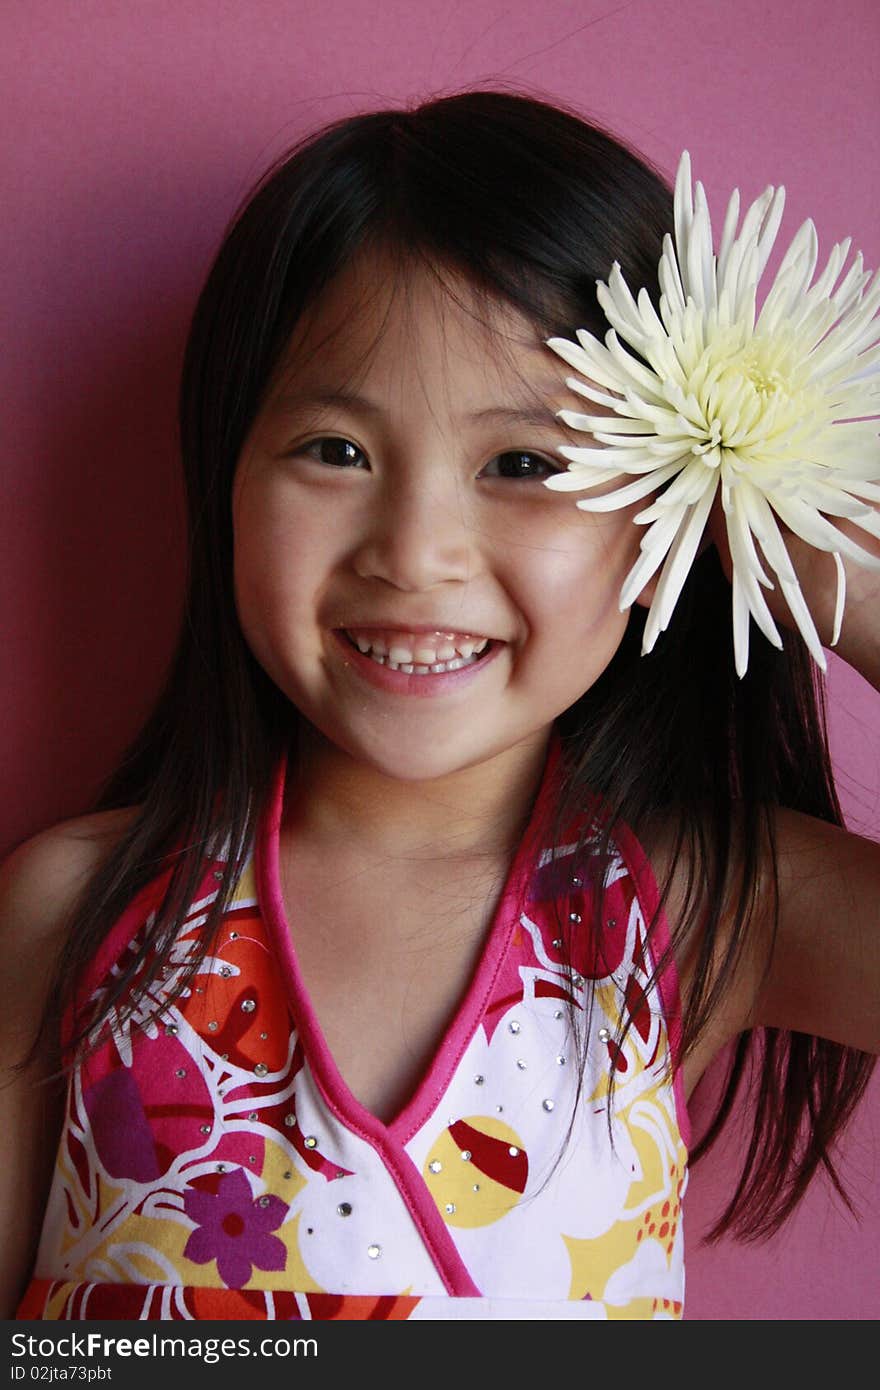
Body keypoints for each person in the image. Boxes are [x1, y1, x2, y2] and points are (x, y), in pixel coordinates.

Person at [2, 89, 878, 1323]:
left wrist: (821, 561)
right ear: (227, 473)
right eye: (335, 450)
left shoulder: (697, 908)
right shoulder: (73, 916)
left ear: (673, 508)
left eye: (523, 464)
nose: (414, 555)